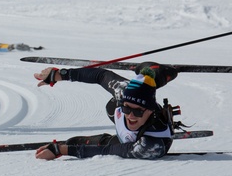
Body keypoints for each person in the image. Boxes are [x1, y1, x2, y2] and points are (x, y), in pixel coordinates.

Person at [32, 62, 179, 160]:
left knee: (101, 143)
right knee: (113, 106)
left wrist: (61, 150)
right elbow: (100, 75)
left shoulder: (151, 145)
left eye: (138, 111)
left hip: (137, 139)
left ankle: (154, 79)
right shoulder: (123, 93)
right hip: (135, 103)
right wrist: (59, 74)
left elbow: (109, 151)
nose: (131, 115)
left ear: (150, 110)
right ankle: (155, 75)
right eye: (126, 108)